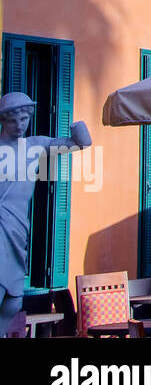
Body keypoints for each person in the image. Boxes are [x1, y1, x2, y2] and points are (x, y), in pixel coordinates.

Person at [0, 92, 93, 335]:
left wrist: (78, 128)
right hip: (0, 225)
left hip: (18, 228)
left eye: (24, 119)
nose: (19, 125)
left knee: (13, 301)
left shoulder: (33, 146)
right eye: (13, 120)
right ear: (3, 121)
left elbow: (79, 144)